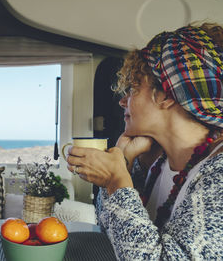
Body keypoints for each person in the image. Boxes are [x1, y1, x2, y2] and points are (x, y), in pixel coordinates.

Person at [65, 22, 223, 260]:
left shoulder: (217, 175)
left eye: (133, 88)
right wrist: (124, 161)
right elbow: (112, 234)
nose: (122, 101)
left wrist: (115, 180)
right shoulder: (157, 162)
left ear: (167, 95)